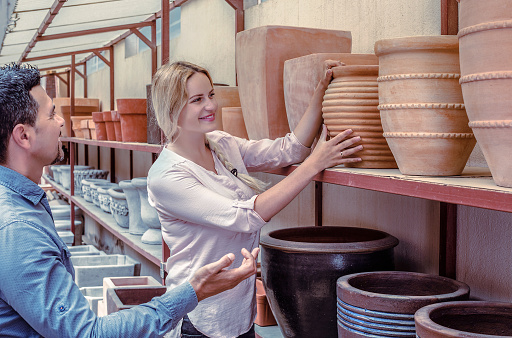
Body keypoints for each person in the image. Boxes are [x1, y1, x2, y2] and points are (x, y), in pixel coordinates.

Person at [0, 63, 259, 338]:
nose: (62, 121)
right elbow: (86, 334)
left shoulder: (23, 205)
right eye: (52, 115)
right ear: (23, 136)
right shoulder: (18, 229)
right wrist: (192, 291)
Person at [147, 61, 363, 338]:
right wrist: (315, 165)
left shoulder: (219, 143)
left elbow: (289, 151)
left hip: (240, 312)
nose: (210, 106)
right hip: (199, 318)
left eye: (211, 95)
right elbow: (245, 217)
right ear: (171, 107)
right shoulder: (167, 176)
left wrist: (321, 91)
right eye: (197, 100)